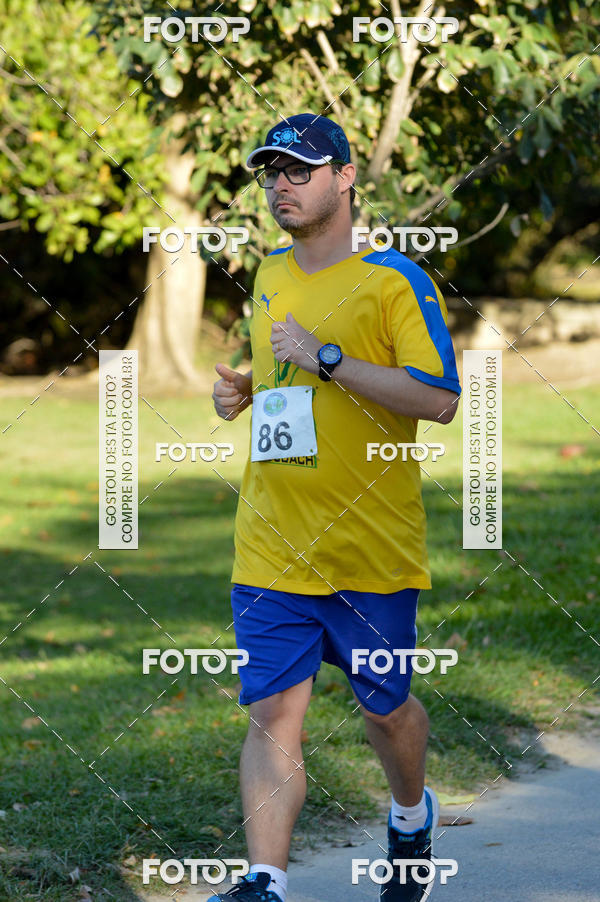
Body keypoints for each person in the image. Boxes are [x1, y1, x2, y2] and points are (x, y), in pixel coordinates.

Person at [210, 113, 461, 902]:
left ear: (346, 177)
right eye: (271, 172)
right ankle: (265, 882)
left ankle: (411, 816)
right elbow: (282, 378)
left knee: (385, 710)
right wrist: (247, 390)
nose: (280, 185)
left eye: (300, 169)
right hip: (271, 541)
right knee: (273, 714)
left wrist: (327, 358)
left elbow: (440, 399)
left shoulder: (396, 281)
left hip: (369, 548)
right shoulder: (268, 273)